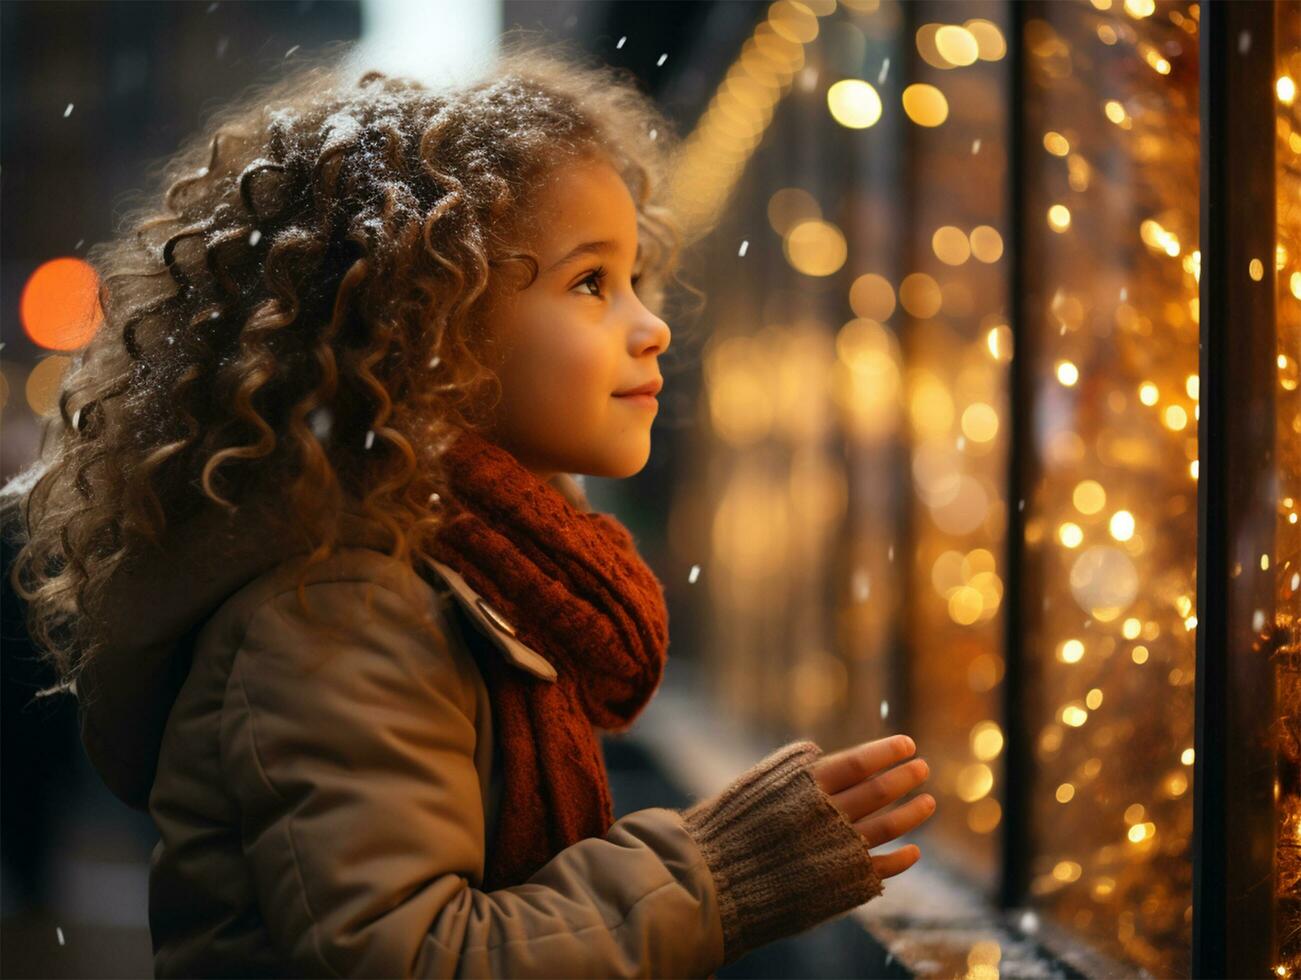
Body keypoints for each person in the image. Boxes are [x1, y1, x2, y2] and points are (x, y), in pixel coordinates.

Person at [4, 33, 935, 978]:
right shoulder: (339, 614)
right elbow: (414, 958)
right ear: (424, 328)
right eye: (590, 284)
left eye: (636, 281)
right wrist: (716, 874)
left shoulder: (454, 578)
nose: (650, 327)